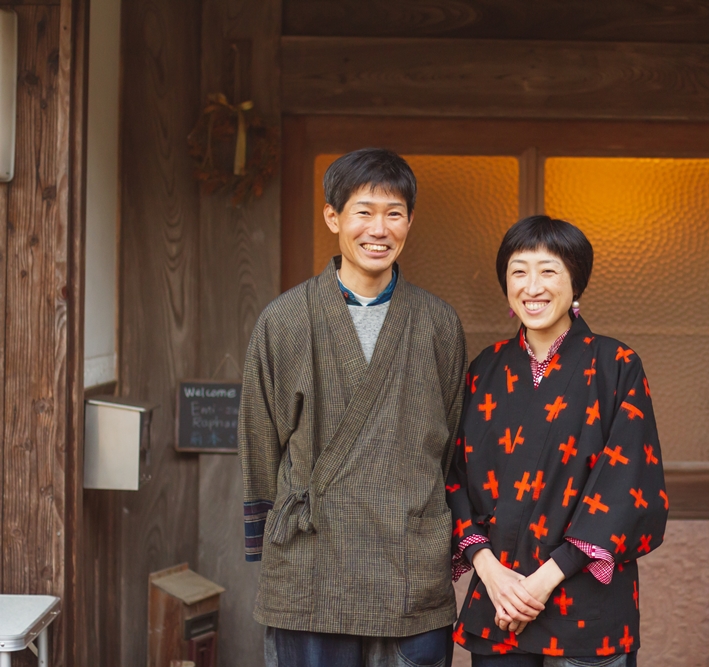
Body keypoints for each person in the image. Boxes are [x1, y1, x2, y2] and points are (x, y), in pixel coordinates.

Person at [239, 148, 466, 667]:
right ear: (333, 217)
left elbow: (451, 442)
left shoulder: (438, 324)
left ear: (410, 220)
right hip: (313, 562)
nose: (378, 228)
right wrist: (260, 535)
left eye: (394, 213)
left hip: (408, 564)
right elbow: (258, 441)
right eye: (363, 211)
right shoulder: (286, 321)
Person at [447, 216, 669, 665]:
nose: (533, 286)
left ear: (575, 280)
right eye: (519, 271)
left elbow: (627, 484)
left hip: (584, 607)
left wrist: (543, 580)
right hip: (500, 603)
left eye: (548, 270)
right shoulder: (484, 370)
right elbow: (454, 479)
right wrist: (491, 573)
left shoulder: (616, 365)